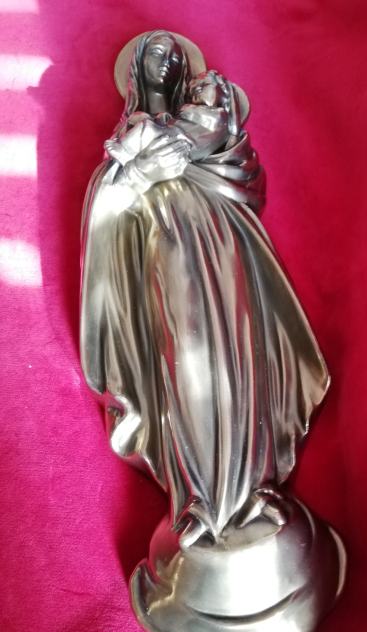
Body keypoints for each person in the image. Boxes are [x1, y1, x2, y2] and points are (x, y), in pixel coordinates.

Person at [80, 30, 329, 546]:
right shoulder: (130, 140)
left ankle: (255, 488)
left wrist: (218, 133)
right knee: (187, 362)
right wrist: (141, 174)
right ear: (137, 72)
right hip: (169, 256)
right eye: (155, 54)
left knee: (241, 361)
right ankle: (198, 498)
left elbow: (246, 179)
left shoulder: (204, 120)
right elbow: (105, 211)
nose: (166, 61)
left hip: (226, 249)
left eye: (174, 55)